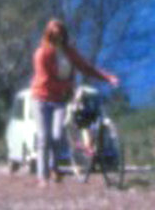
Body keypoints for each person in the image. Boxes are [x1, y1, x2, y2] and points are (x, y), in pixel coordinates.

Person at [29, 17, 118, 185]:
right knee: (43, 137)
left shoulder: (69, 52)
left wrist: (107, 77)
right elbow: (46, 80)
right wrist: (69, 84)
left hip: (59, 100)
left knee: (56, 135)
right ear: (48, 36)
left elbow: (85, 68)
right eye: (54, 36)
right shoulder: (41, 54)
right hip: (41, 99)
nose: (58, 39)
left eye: (61, 36)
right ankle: (43, 176)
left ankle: (54, 168)